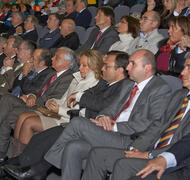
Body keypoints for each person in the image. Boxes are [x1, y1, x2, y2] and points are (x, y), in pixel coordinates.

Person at [0, 51, 130, 180]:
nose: (103, 69)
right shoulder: (105, 84)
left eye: (107, 66)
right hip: (76, 119)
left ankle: (23, 169)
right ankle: (16, 166)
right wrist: (73, 104)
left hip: (84, 123)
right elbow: (90, 102)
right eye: (103, 66)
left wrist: (79, 99)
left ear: (120, 70)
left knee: (51, 136)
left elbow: (98, 105)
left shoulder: (122, 86)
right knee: (39, 139)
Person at [45, 49, 172, 180]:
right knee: (74, 147)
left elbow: (151, 123)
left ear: (147, 68)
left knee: (77, 123)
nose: (127, 67)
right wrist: (102, 117)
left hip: (129, 138)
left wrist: (115, 126)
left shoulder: (160, 89)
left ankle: (48, 163)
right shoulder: (129, 84)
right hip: (111, 133)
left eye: (132, 64)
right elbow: (111, 108)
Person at [0, 47, 75, 168]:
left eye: (57, 57)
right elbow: (39, 91)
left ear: (66, 62)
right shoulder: (53, 74)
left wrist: (34, 100)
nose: (52, 58)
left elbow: (54, 98)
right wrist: (31, 96)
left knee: (8, 112)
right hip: (35, 103)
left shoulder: (69, 78)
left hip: (43, 110)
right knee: (7, 100)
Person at [13, 49, 102, 146]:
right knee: (22, 117)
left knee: (28, 122)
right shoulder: (77, 79)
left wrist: (59, 110)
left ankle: (21, 156)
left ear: (94, 66)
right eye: (80, 65)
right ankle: (15, 154)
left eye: (84, 66)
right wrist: (50, 101)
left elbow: (78, 113)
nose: (80, 68)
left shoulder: (94, 85)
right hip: (57, 114)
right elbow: (63, 99)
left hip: (66, 121)